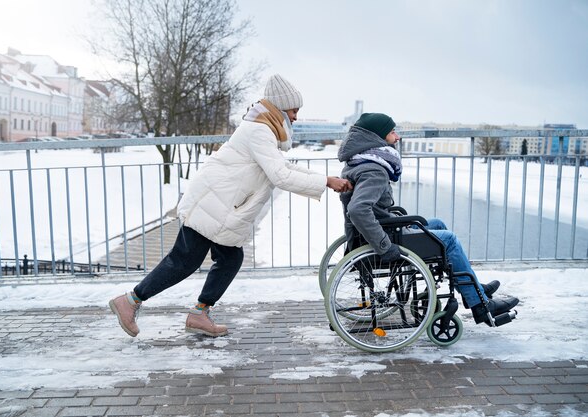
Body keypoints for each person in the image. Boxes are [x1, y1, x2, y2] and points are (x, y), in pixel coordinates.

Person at [109, 74, 352, 338]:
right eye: (293, 111)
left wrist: (325, 180)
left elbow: (281, 167)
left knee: (229, 258)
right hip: (213, 203)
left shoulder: (263, 128)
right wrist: (325, 182)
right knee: (184, 261)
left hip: (222, 204)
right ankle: (131, 301)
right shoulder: (259, 130)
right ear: (280, 108)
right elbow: (280, 176)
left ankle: (199, 314)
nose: (295, 117)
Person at [337, 112, 519, 326]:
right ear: (376, 136)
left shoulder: (358, 162)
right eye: (392, 132)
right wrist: (385, 246)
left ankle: (473, 286)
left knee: (437, 224)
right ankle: (480, 305)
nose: (397, 137)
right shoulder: (374, 169)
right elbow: (359, 210)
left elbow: (366, 209)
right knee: (448, 240)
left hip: (374, 231)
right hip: (381, 238)